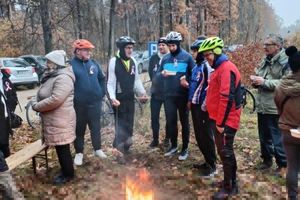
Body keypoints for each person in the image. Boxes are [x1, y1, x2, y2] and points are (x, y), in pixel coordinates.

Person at [199, 36, 241, 199]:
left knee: (226, 152)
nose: (206, 58)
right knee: (224, 152)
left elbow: (226, 97)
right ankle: (228, 180)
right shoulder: (219, 68)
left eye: (208, 54)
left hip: (226, 121)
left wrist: (221, 123)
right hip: (218, 119)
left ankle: (230, 187)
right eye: (204, 55)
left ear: (217, 52)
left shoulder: (226, 68)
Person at [32, 50, 76, 185]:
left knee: (63, 148)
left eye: (49, 61)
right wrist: (36, 100)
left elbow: (56, 99)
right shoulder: (53, 75)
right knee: (60, 147)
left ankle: (68, 175)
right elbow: (42, 93)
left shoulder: (63, 78)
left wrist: (36, 106)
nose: (46, 64)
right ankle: (66, 171)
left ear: (56, 63)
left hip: (61, 120)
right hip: (55, 120)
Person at [251, 34, 288, 171]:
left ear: (278, 47)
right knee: (264, 136)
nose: (264, 47)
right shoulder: (265, 59)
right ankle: (267, 161)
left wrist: (264, 82)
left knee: (278, 138)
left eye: (268, 44)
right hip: (263, 105)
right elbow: (260, 75)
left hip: (276, 107)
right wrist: (256, 81)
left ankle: (283, 165)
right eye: (264, 44)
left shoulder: (287, 62)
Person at [107, 36, 147, 160]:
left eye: (131, 48)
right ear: (121, 48)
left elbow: (136, 81)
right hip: (118, 100)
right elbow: (110, 83)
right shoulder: (114, 61)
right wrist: (112, 98)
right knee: (121, 126)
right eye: (128, 48)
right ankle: (118, 151)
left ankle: (126, 147)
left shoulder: (133, 61)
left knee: (129, 125)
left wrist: (142, 93)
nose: (130, 50)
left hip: (130, 99)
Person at [71, 39, 107, 166]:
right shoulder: (70, 66)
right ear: (78, 51)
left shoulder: (94, 63)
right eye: (86, 50)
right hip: (79, 106)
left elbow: (102, 79)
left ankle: (98, 149)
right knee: (79, 130)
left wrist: (101, 93)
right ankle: (79, 153)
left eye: (89, 50)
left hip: (95, 104)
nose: (88, 52)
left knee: (96, 128)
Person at [160, 31, 195, 161]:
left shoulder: (187, 57)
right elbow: (158, 75)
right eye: (170, 45)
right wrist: (162, 74)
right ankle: (174, 146)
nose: (171, 47)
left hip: (183, 95)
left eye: (174, 45)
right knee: (171, 122)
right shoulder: (165, 58)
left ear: (179, 44)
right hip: (169, 95)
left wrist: (187, 81)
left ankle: (185, 148)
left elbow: (195, 76)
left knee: (184, 122)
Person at [188, 36, 217, 176]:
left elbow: (211, 87)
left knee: (206, 136)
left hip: (204, 108)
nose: (192, 54)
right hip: (195, 106)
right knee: (199, 136)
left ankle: (212, 166)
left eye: (194, 51)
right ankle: (206, 161)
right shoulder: (196, 67)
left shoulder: (207, 66)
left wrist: (205, 106)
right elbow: (195, 87)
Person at [275, 46, 300, 200]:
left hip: (288, 130)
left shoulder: (281, 85)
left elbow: (278, 105)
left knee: (292, 167)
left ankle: (292, 196)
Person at [148, 37, 170, 148]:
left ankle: (167, 139)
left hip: (168, 93)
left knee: (169, 117)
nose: (161, 47)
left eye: (163, 45)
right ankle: (155, 139)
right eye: (159, 45)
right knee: (154, 117)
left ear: (167, 46)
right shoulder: (153, 58)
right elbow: (150, 73)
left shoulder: (171, 58)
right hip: (156, 93)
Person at [0, 66, 18, 158]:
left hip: (6, 116)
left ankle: (7, 165)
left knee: (4, 143)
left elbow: (13, 94)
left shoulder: (5, 78)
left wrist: (11, 109)